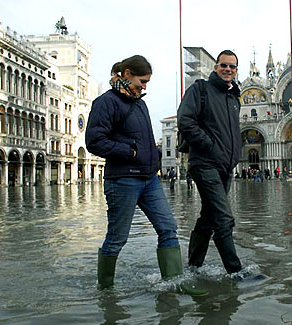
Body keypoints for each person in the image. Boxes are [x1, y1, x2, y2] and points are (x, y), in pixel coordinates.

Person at [85, 55, 206, 296]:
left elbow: (143, 138)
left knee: (168, 227)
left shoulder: (139, 102)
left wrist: (156, 154)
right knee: (117, 238)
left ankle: (174, 282)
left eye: (148, 82)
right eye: (142, 81)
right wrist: (129, 151)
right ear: (127, 73)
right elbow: (94, 141)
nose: (145, 86)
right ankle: (105, 290)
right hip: (122, 180)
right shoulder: (106, 102)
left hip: (149, 178)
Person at [177, 50, 243, 275]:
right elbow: (185, 120)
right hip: (205, 163)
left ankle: (193, 267)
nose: (228, 69)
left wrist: (235, 157)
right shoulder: (200, 89)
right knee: (224, 218)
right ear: (216, 67)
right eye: (223, 65)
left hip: (226, 167)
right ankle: (236, 273)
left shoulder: (234, 97)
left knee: (209, 217)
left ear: (236, 71)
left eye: (232, 67)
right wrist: (209, 146)